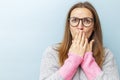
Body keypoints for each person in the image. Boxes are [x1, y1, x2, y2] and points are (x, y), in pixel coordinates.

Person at [39, 1, 119, 80]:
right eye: (74, 20)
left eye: (87, 21)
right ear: (69, 25)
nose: (80, 26)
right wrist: (74, 59)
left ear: (94, 26)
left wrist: (88, 62)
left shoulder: (106, 55)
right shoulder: (52, 52)